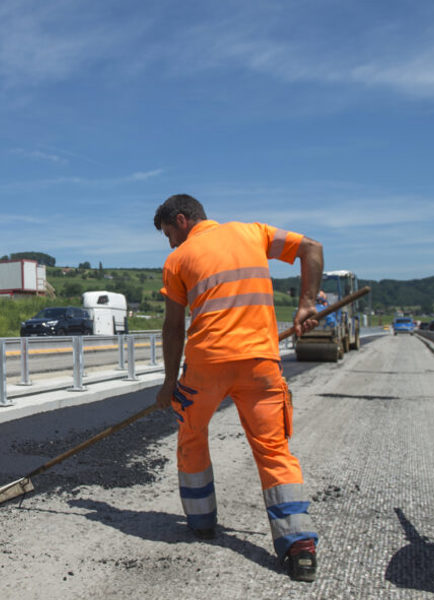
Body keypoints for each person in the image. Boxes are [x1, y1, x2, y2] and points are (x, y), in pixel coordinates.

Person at [153, 193, 324, 583]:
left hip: (206, 366)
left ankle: (200, 523)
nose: (170, 243)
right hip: (260, 364)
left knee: (192, 436)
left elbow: (173, 326)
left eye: (168, 233)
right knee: (274, 450)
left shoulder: (177, 260)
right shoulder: (254, 233)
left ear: (181, 220)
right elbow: (311, 248)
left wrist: (168, 384)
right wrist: (307, 304)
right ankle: (299, 548)